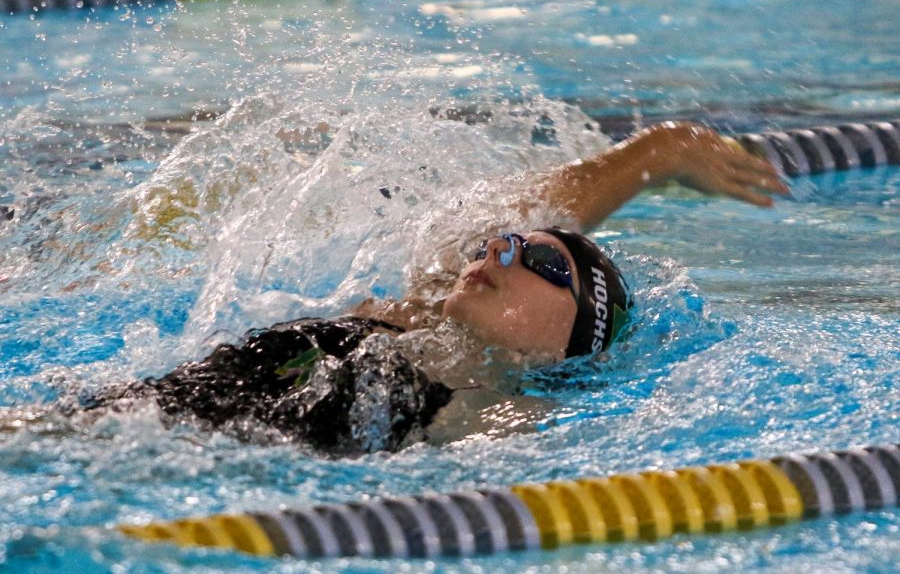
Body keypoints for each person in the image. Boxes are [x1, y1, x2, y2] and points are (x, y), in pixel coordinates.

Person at [50, 122, 789, 455]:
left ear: (571, 342)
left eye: (547, 268)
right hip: (101, 418)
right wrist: (659, 151)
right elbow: (548, 206)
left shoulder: (503, 420)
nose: (503, 253)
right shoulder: (415, 313)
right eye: (500, 247)